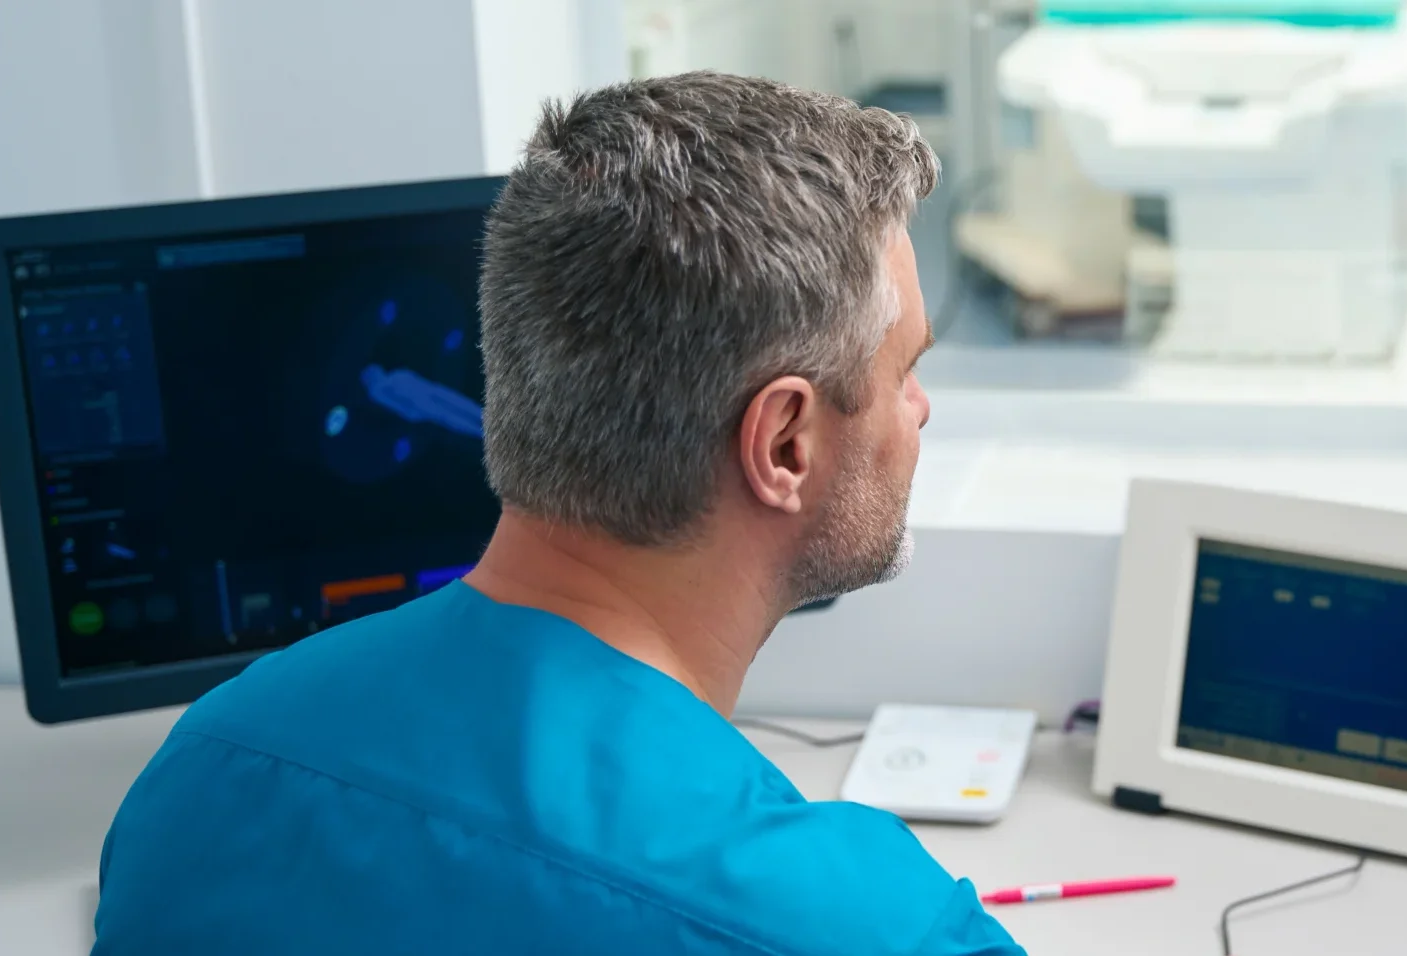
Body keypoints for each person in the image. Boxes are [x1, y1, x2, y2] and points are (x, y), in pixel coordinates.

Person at [91, 73, 1022, 956]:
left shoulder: (202, 766)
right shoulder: (866, 928)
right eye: (904, 370)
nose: (919, 410)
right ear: (783, 444)